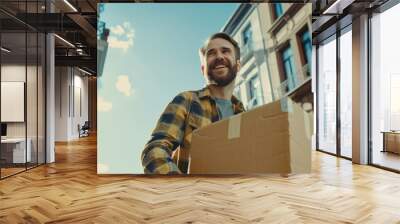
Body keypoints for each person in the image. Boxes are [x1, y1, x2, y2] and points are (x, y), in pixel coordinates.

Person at [141, 32, 245, 174]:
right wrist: (184, 190)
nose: (219, 56)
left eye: (225, 51)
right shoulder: (187, 101)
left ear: (238, 65)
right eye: (211, 53)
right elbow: (155, 151)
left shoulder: (246, 116)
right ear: (203, 69)